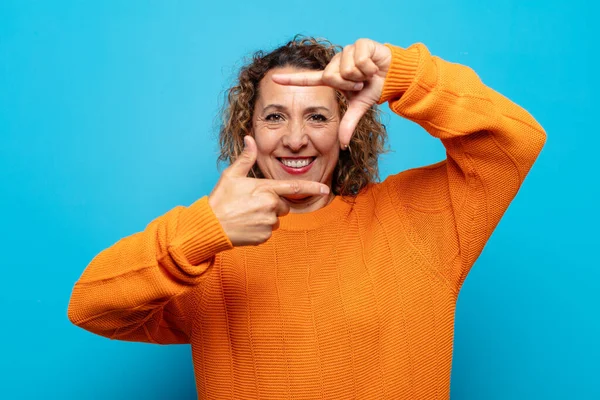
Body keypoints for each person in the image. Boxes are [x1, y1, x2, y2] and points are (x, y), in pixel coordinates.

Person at [68, 36, 546, 399]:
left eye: (317, 117)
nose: (295, 139)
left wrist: (404, 76)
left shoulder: (422, 220)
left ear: (348, 127)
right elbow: (90, 306)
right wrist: (205, 229)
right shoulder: (206, 249)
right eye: (275, 116)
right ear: (247, 129)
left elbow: (515, 142)